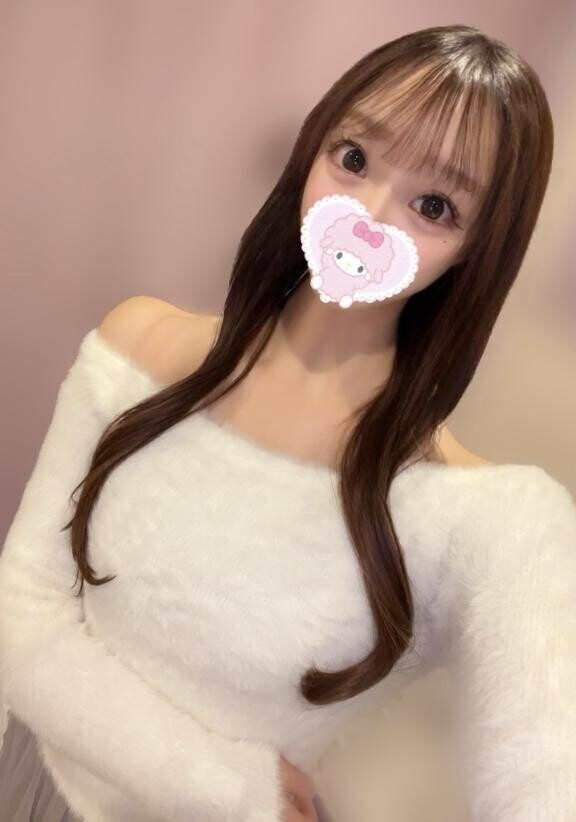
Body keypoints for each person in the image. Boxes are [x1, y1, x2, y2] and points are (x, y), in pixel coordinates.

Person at [1, 22, 575, 822]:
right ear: (312, 149)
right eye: (353, 158)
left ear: (477, 250)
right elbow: (19, 617)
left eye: (434, 205)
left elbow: (546, 775)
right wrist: (234, 785)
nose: (368, 215)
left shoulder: (483, 516)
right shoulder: (137, 347)